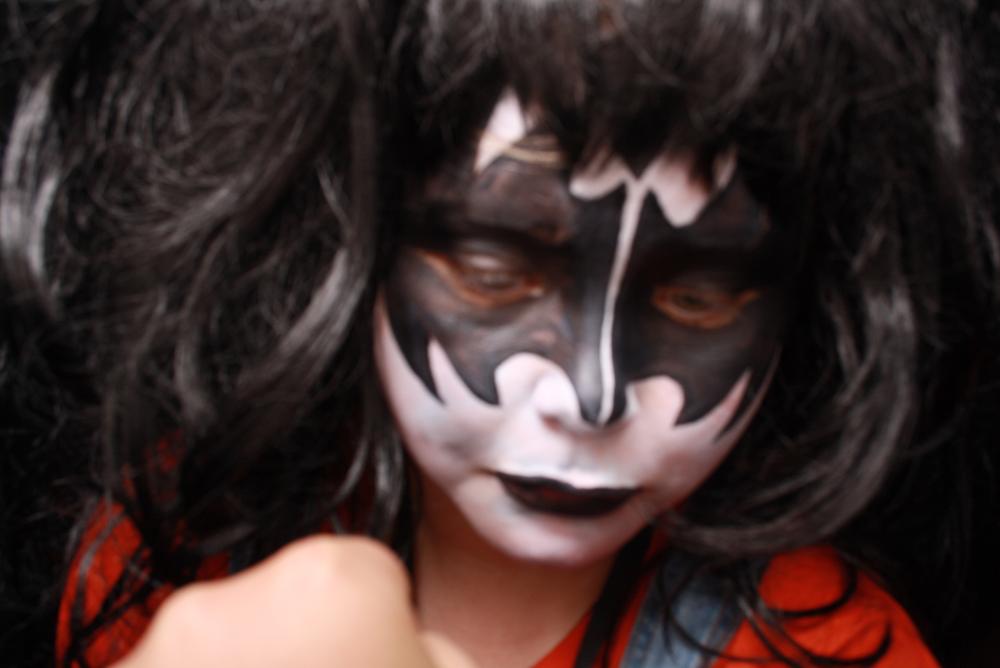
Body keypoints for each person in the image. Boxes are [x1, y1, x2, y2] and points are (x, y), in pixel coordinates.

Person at [1, 0, 996, 666]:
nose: (588, 397)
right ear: (352, 240)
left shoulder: (824, 649)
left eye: (696, 299)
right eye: (491, 273)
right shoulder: (180, 559)